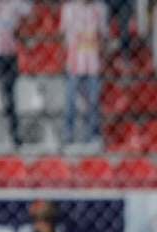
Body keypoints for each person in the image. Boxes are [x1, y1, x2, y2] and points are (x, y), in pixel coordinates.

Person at [0, 0, 32, 148]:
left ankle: (15, 137)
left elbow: (29, 10)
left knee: (9, 97)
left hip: (8, 54)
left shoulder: (14, 4)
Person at [61, 0, 109, 146]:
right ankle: (68, 134)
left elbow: (103, 34)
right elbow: (64, 35)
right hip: (75, 62)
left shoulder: (100, 8)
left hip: (93, 61)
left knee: (94, 101)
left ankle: (93, 135)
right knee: (70, 102)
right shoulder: (68, 9)